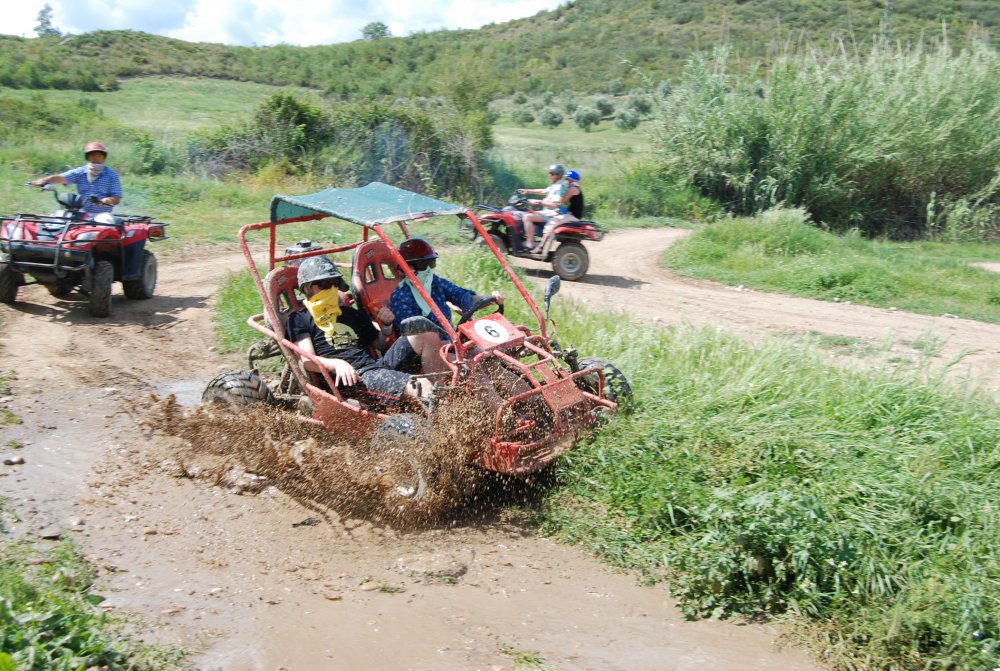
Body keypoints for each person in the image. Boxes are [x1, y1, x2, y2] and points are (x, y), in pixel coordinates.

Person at [286, 255, 446, 409]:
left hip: (376, 369)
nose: (332, 288)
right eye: (325, 283)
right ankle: (446, 427)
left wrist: (386, 326)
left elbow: (381, 344)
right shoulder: (299, 318)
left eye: (335, 282)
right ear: (307, 288)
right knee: (420, 385)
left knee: (424, 331)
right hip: (353, 379)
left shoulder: (349, 313)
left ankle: (443, 393)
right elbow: (307, 360)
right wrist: (335, 364)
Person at [388, 237, 503, 338]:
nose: (428, 269)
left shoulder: (436, 283)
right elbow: (413, 338)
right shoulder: (400, 297)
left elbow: (463, 296)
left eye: (431, 263)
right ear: (409, 267)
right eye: (423, 264)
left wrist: (490, 299)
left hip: (451, 344)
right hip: (427, 352)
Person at [30, 142, 122, 216]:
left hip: (101, 215)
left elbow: (117, 198)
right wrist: (44, 181)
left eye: (99, 156)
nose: (96, 159)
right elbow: (61, 178)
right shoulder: (81, 172)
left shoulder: (111, 175)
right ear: (88, 157)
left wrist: (107, 200)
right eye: (92, 156)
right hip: (81, 213)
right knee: (59, 219)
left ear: (104, 158)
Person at [517, 163, 569, 254]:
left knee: (527, 217)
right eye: (550, 173)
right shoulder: (554, 185)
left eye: (552, 173)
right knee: (524, 213)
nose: (550, 175)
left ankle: (529, 244)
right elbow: (542, 191)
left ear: (558, 175)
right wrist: (527, 191)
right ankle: (528, 239)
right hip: (547, 212)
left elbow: (555, 205)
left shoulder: (561, 187)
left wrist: (538, 201)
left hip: (553, 214)